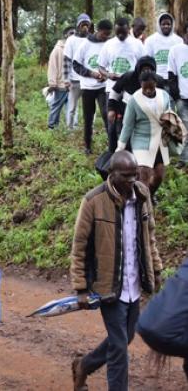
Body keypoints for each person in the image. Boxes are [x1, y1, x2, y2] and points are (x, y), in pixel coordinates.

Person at [70, 150, 162, 391]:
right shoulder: (93, 201)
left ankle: (85, 364)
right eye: (126, 176)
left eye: (135, 175)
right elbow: (79, 245)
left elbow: (149, 236)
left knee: (126, 337)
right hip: (109, 285)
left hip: (134, 283)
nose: (132, 181)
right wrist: (80, 287)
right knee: (120, 347)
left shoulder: (142, 195)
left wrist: (157, 270)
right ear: (112, 174)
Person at [116, 71, 173, 197]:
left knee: (159, 175)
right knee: (144, 174)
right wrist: (121, 146)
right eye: (145, 88)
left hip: (159, 141)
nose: (148, 90)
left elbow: (170, 113)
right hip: (141, 140)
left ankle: (149, 195)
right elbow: (128, 125)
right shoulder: (134, 100)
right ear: (140, 85)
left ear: (156, 84)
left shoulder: (164, 96)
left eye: (151, 87)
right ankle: (142, 205)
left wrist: (170, 125)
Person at [99, 18, 145, 151]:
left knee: (129, 121)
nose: (120, 35)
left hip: (130, 90)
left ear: (128, 29)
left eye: (123, 33)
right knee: (111, 121)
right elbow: (101, 67)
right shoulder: (108, 44)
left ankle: (129, 153)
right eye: (117, 32)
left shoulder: (137, 44)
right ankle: (112, 152)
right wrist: (108, 75)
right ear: (115, 29)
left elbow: (144, 65)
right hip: (112, 88)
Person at [73, 19, 112, 154]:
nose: (106, 37)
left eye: (108, 35)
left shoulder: (109, 44)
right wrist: (91, 73)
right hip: (88, 87)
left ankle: (112, 145)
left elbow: (111, 63)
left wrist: (106, 75)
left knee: (107, 114)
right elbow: (76, 65)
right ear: (98, 31)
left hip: (103, 86)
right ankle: (88, 146)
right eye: (104, 34)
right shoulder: (85, 44)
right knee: (88, 117)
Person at [64, 14, 92, 129]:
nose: (85, 27)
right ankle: (70, 129)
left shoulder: (92, 39)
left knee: (90, 107)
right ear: (78, 26)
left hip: (89, 80)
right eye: (83, 24)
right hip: (74, 80)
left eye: (87, 24)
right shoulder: (71, 40)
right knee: (72, 107)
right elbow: (66, 60)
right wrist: (66, 79)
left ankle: (89, 128)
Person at [47, 27, 75, 129]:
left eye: (75, 33)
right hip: (60, 85)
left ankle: (72, 129)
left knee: (72, 109)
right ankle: (52, 127)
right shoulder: (58, 50)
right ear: (66, 35)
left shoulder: (76, 48)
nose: (73, 35)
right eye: (71, 33)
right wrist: (52, 83)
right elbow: (52, 67)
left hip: (73, 85)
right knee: (56, 107)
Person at [168, 24, 188, 167]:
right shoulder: (176, 50)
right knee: (185, 128)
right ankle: (183, 160)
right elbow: (172, 74)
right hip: (182, 97)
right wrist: (177, 96)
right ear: (184, 33)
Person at [144, 13, 182, 79]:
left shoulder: (179, 40)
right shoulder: (150, 40)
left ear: (172, 25)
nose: (166, 26)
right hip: (156, 77)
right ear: (159, 25)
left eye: (168, 24)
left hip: (174, 77)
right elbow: (147, 60)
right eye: (163, 24)